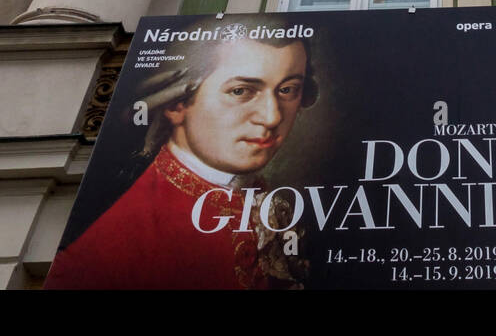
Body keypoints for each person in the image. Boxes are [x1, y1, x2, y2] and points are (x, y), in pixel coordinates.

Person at [45, 32, 316, 289]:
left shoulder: (261, 194)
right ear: (177, 104)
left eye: (288, 90)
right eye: (240, 91)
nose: (272, 118)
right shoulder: (115, 244)